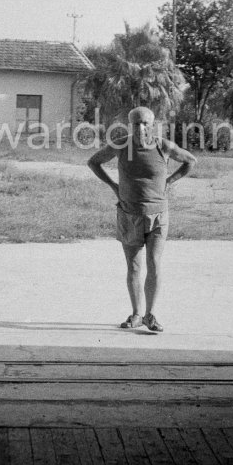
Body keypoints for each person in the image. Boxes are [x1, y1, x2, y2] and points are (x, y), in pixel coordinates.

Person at [87, 106, 196, 332]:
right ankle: (136, 314)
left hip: (158, 216)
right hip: (129, 214)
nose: (141, 127)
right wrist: (113, 186)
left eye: (145, 123)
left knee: (154, 264)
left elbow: (190, 161)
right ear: (130, 125)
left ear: (153, 124)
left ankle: (150, 315)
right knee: (134, 267)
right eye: (136, 123)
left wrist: (170, 180)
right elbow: (93, 162)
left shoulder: (163, 146)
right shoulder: (120, 144)